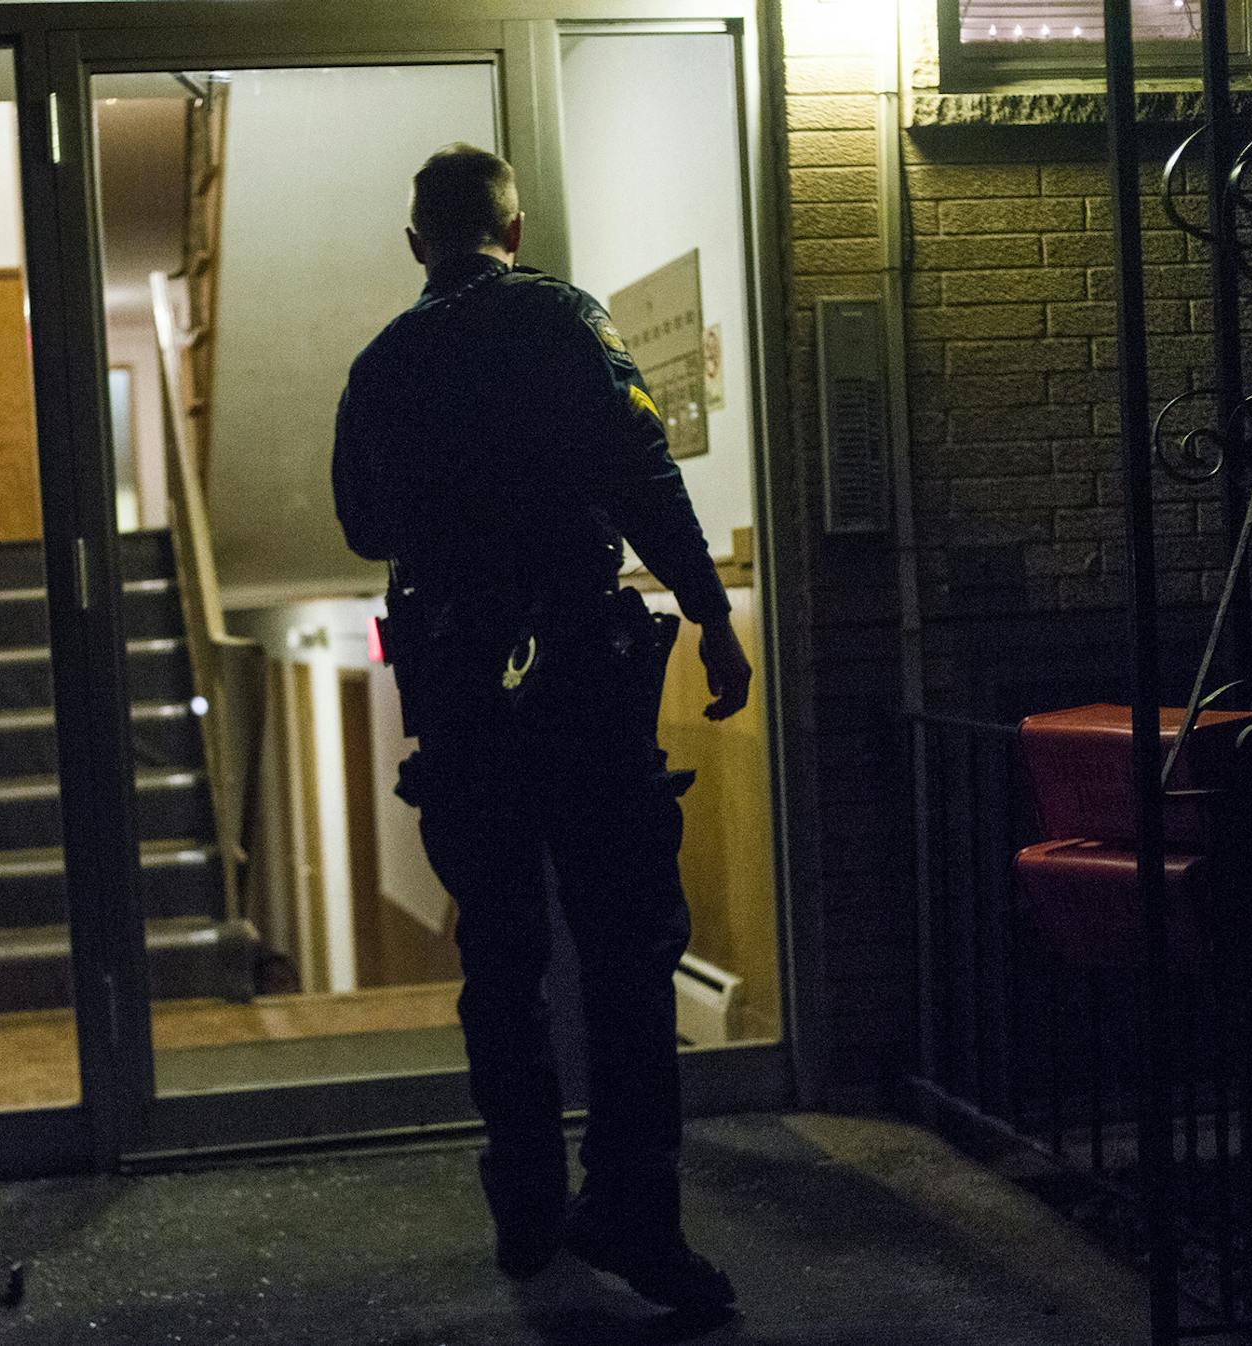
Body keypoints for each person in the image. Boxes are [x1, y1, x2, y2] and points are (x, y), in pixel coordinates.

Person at [332, 143, 753, 1318]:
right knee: (625, 947)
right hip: (578, 672)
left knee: (501, 954)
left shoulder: (381, 364)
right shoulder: (566, 320)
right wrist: (711, 615)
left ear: (417, 244)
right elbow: (643, 471)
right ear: (512, 233)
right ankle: (634, 1211)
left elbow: (363, 522)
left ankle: (524, 1207)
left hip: (460, 686)